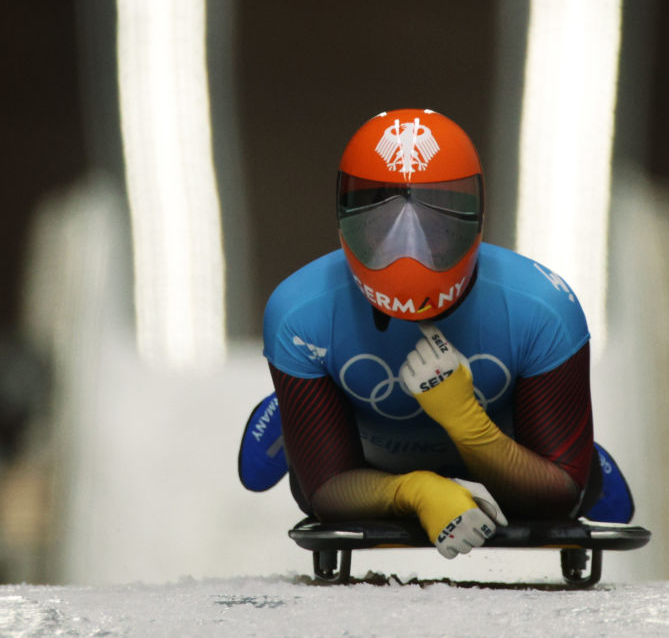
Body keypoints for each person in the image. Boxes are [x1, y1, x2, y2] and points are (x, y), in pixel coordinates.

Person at [240, 108, 632, 559]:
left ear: (477, 219)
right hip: (370, 447)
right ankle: (308, 406)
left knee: (580, 489)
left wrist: (467, 421)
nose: (409, 251)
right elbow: (324, 491)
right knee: (310, 479)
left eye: (435, 228)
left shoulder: (543, 308)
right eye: (381, 228)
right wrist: (418, 491)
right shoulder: (299, 314)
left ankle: (314, 402)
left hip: (497, 434)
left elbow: (559, 495)